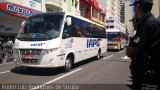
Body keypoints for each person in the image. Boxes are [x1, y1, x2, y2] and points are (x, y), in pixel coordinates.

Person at [126, 0, 160, 89]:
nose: (134, 10)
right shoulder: (156, 22)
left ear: (138, 6)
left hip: (146, 73)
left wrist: (132, 42)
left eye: (134, 7)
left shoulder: (144, 25)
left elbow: (130, 51)